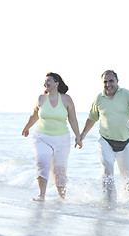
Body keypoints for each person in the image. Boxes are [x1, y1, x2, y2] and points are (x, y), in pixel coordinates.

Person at [79, 70, 129, 204]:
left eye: (111, 81)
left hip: (127, 141)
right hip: (106, 140)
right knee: (107, 169)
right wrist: (82, 135)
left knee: (128, 174)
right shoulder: (99, 98)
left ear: (117, 81)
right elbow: (92, 118)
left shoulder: (126, 94)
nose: (108, 84)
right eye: (105, 82)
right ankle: (109, 202)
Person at [22, 72, 82, 201]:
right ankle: (41, 196)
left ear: (56, 83)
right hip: (41, 137)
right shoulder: (41, 99)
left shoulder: (66, 99)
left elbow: (73, 119)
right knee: (42, 163)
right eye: (45, 81)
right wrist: (27, 127)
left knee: (60, 169)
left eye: (49, 80)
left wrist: (78, 137)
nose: (46, 83)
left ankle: (62, 198)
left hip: (62, 139)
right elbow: (34, 116)